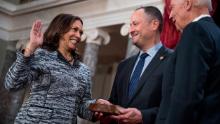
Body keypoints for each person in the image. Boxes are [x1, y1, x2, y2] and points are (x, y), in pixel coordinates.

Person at [4, 13, 108, 124]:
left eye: (80, 32)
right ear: (60, 30)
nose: (78, 35)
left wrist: (95, 107)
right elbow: (12, 84)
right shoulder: (42, 56)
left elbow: (81, 106)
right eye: (75, 29)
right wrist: (30, 48)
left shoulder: (84, 70)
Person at [101, 6, 172, 124]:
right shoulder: (124, 65)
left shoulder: (173, 59)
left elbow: (174, 106)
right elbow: (115, 102)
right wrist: (106, 108)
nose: (131, 30)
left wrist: (143, 116)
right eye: (130, 25)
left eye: (135, 24)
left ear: (154, 24)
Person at [155, 0, 220, 124]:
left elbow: (186, 97)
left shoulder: (195, 30)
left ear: (188, 3)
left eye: (172, 8)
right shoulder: (215, 32)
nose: (170, 15)